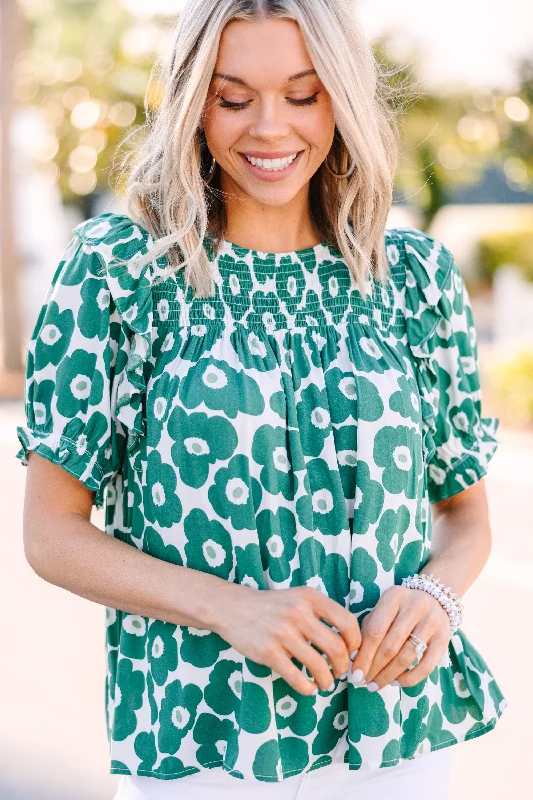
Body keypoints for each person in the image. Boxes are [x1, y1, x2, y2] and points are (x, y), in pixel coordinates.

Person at [16, 1, 507, 798]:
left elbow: (465, 514)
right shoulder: (122, 273)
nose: (269, 129)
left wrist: (434, 592)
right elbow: (52, 534)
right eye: (233, 97)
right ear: (189, 101)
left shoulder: (413, 279)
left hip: (397, 737)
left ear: (343, 99)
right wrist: (231, 609)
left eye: (304, 95)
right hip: (203, 739)